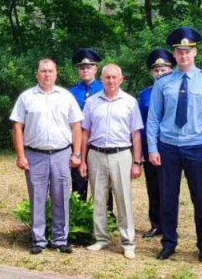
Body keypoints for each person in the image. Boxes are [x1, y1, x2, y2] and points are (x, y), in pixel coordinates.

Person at [146, 26, 202, 262]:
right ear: (174, 54)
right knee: (168, 198)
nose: (183, 55)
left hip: (197, 147)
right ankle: (169, 242)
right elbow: (154, 117)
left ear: (195, 52)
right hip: (168, 146)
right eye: (179, 52)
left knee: (200, 198)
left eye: (187, 51)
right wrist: (152, 147)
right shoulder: (163, 82)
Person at [10, 57, 84, 255]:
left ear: (56, 73)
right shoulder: (26, 97)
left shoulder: (66, 96)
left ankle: (60, 239)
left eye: (50, 71)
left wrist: (77, 153)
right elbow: (17, 127)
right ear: (37, 73)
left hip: (61, 154)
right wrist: (20, 155)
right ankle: (38, 240)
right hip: (35, 156)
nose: (47, 74)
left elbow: (76, 126)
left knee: (61, 197)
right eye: (43, 71)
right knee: (37, 198)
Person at [79, 64, 144, 259]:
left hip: (121, 154)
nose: (111, 81)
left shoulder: (130, 102)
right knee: (98, 198)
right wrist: (82, 160)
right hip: (96, 154)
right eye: (107, 77)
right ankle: (101, 238)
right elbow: (85, 132)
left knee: (123, 198)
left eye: (115, 77)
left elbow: (136, 134)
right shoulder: (91, 103)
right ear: (102, 79)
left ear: (121, 79)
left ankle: (128, 242)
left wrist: (137, 162)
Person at [136, 49, 175, 238]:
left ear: (171, 69)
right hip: (150, 148)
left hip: (170, 148)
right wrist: (142, 150)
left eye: (164, 69)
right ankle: (156, 224)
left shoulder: (176, 91)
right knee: (153, 187)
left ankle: (169, 226)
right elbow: (140, 124)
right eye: (157, 70)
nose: (160, 73)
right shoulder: (144, 95)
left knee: (168, 188)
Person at [68, 48, 104, 201]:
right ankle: (80, 216)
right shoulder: (70, 92)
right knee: (79, 181)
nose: (85, 70)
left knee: (103, 183)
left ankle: (106, 217)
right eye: (81, 68)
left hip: (98, 140)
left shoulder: (104, 88)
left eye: (88, 67)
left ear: (95, 69)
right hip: (76, 140)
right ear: (78, 70)